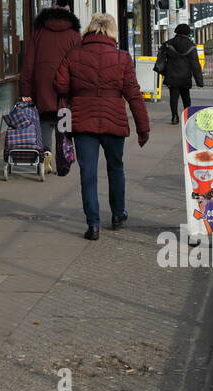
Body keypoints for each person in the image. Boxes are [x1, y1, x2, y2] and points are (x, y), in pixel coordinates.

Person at [54, 13, 151, 240]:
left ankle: (93, 225)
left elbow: (60, 84)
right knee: (115, 167)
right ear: (112, 31)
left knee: (88, 173)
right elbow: (133, 95)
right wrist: (143, 128)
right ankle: (118, 214)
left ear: (89, 30)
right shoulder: (122, 58)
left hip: (83, 120)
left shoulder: (74, 55)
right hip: (113, 120)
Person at [19, 0, 81, 171]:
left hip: (42, 86)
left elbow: (28, 63)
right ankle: (63, 159)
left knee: (45, 122)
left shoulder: (38, 33)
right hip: (65, 88)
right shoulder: (74, 35)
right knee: (63, 122)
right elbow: (78, 63)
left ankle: (46, 153)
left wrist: (25, 90)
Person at [156, 23, 204, 124]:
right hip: (185, 76)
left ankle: (174, 117)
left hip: (172, 75)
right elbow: (195, 65)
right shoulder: (191, 46)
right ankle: (188, 117)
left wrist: (163, 72)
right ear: (187, 33)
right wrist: (199, 81)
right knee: (186, 97)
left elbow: (160, 59)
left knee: (173, 97)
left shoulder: (168, 44)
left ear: (176, 32)